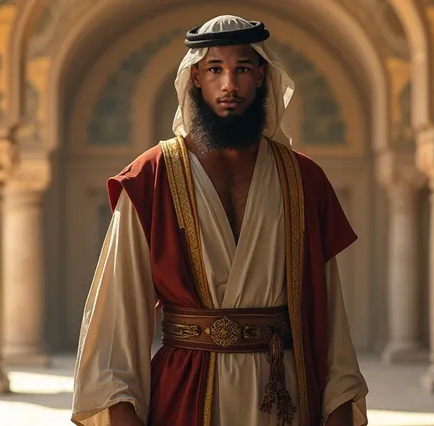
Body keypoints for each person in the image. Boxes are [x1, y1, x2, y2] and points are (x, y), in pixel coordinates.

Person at [71, 15, 368, 426]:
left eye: (242, 69)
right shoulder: (151, 177)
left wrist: (339, 402)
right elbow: (116, 315)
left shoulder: (303, 180)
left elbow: (328, 309)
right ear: (195, 78)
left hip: (281, 394)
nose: (229, 84)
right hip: (184, 394)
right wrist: (122, 410)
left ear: (262, 75)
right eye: (215, 70)